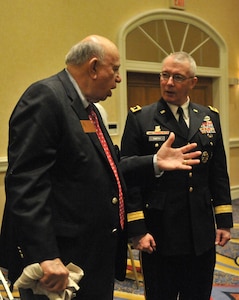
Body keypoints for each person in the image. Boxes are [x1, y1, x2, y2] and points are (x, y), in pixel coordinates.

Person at [0, 38, 201, 300]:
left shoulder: (88, 110)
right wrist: (45, 255)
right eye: (115, 69)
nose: (118, 79)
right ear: (94, 67)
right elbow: (26, 184)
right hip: (60, 261)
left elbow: (108, 167)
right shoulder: (46, 98)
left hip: (91, 254)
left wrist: (153, 162)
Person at [121, 51, 233, 300]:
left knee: (198, 294)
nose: (169, 82)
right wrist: (137, 229)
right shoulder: (141, 118)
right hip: (160, 232)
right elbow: (129, 176)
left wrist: (224, 220)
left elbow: (218, 172)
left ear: (193, 81)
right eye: (164, 75)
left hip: (200, 232)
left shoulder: (208, 117)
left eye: (177, 77)